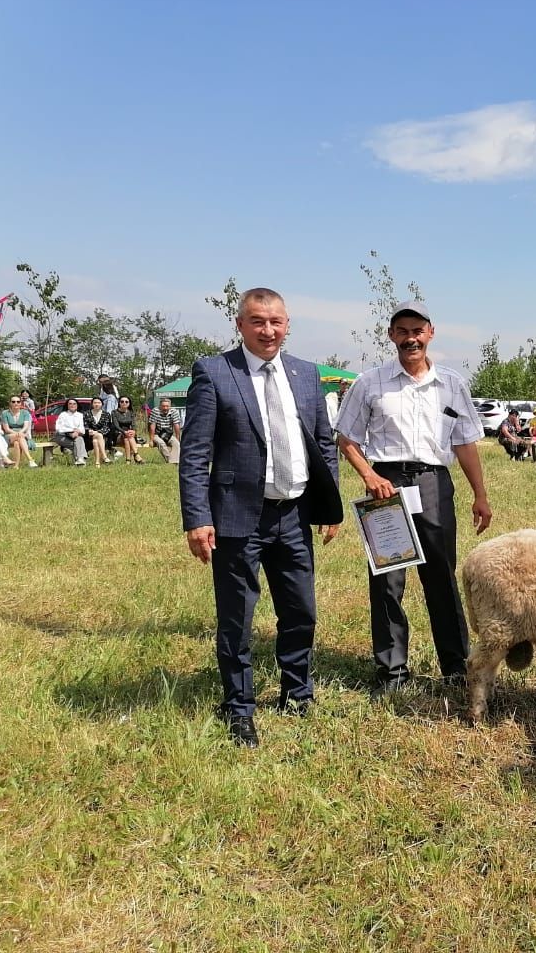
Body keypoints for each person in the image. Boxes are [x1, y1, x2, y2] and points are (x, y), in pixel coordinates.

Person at [179, 287, 343, 748]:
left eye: (276, 322)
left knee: (301, 611)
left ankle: (297, 693)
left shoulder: (307, 375)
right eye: (257, 321)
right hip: (236, 518)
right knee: (237, 618)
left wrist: (328, 506)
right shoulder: (214, 372)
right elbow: (195, 454)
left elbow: (323, 443)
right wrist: (197, 516)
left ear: (287, 324)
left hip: (292, 514)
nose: (267, 330)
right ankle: (239, 707)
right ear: (240, 325)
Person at [334, 299, 491, 695]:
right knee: (388, 580)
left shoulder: (451, 384)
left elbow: (466, 443)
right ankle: (392, 672)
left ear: (430, 333)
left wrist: (480, 495)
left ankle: (456, 666)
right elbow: (346, 437)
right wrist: (369, 474)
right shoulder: (370, 383)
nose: (410, 338)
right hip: (386, 485)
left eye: (417, 331)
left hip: (435, 484)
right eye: (402, 331)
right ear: (391, 336)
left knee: (441, 577)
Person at [0, 395, 38, 467]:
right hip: (9, 435)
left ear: (21, 403)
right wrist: (18, 433)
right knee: (19, 437)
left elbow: (26, 427)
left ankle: (16, 466)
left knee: (17, 443)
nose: (16, 403)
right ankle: (30, 459)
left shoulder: (25, 413)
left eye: (18, 401)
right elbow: (7, 429)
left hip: (22, 435)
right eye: (13, 402)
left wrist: (20, 433)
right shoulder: (5, 413)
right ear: (10, 403)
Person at [54, 398, 89, 466]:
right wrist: (72, 430)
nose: (72, 405)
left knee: (80, 439)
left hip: (76, 436)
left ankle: (79, 460)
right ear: (67, 405)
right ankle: (80, 459)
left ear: (77, 405)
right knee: (79, 444)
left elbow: (82, 429)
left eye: (74, 404)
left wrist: (77, 432)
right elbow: (58, 428)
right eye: (70, 404)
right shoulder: (63, 415)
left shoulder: (80, 415)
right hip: (62, 436)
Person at [148, 397, 183, 463]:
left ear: (170, 406)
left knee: (177, 444)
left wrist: (178, 439)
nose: (165, 408)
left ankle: (175, 461)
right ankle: (170, 461)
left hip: (168, 434)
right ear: (160, 406)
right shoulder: (155, 411)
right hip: (157, 434)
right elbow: (152, 427)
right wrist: (151, 440)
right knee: (161, 443)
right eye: (163, 406)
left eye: (167, 406)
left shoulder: (174, 411)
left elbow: (176, 426)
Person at [111, 396, 144, 464]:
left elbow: (134, 424)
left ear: (129, 403)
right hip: (118, 434)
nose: (124, 403)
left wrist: (134, 431)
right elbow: (116, 425)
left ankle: (128, 460)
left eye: (126, 402)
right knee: (127, 437)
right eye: (122, 401)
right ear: (119, 403)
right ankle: (136, 455)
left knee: (127, 438)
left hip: (129, 435)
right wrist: (124, 432)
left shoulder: (131, 412)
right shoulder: (114, 412)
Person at [84, 396, 114, 467]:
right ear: (92, 404)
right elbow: (84, 425)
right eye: (95, 403)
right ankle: (105, 457)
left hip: (103, 436)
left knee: (96, 440)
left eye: (99, 403)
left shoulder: (106, 414)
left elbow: (107, 427)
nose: (97, 404)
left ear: (102, 404)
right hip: (89, 437)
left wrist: (97, 432)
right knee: (97, 437)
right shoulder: (86, 413)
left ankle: (97, 462)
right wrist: (89, 430)